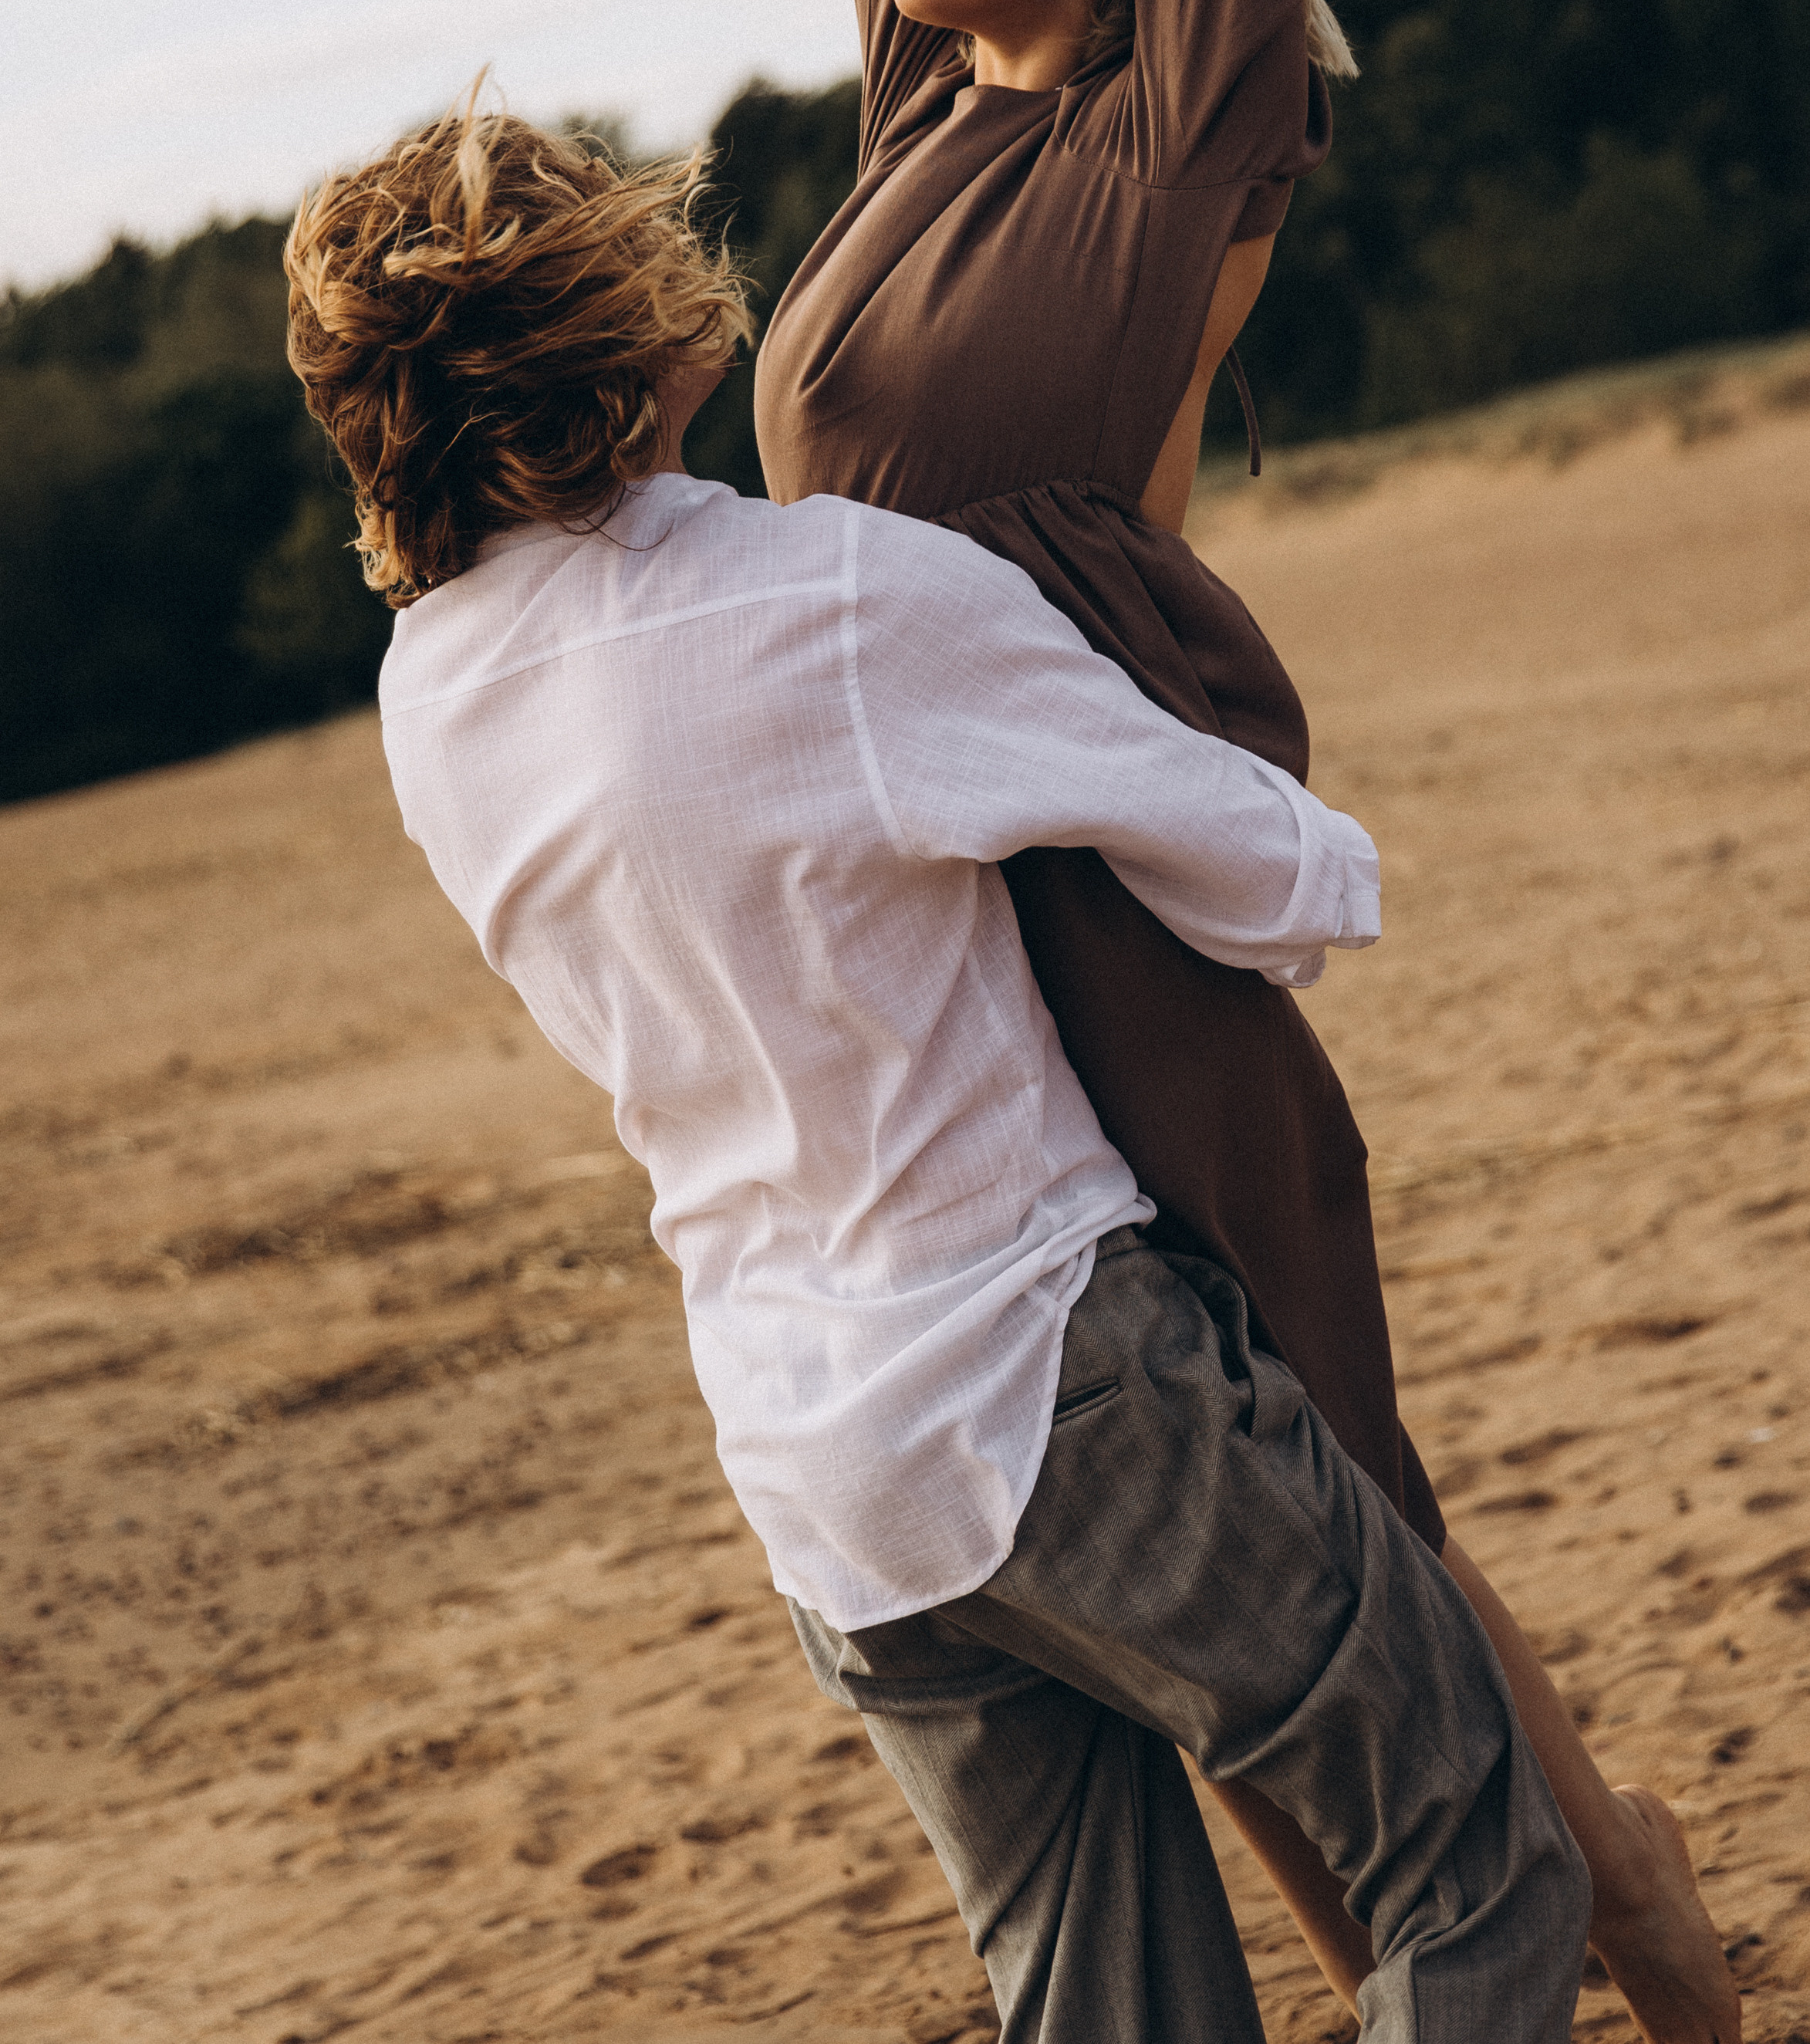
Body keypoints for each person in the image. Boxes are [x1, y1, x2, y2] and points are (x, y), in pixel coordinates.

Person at [283, 101, 1590, 2042]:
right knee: (1479, 1849)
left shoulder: (430, 700)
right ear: (643, 320)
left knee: (1101, 2001)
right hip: (1046, 1362)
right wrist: (1308, 860)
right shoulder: (822, 596)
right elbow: (1257, 863)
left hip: (816, 1468)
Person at [751, 0, 1740, 2039]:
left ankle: (1655, 1953)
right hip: (930, 890)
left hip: (1083, 880)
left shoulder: (1165, 116)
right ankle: (1603, 1915)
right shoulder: (919, 118)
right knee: (1265, 1550)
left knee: (1328, 1498)